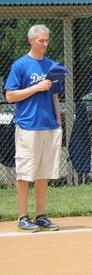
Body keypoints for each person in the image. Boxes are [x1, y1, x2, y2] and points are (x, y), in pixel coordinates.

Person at [5, 24, 62, 233]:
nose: (45, 44)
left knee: (43, 172)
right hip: (28, 125)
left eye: (47, 40)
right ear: (31, 41)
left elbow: (55, 95)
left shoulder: (51, 65)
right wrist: (36, 88)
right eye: (41, 40)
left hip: (49, 125)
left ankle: (40, 215)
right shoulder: (20, 65)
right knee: (25, 172)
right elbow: (10, 96)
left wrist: (58, 121)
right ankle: (22, 216)